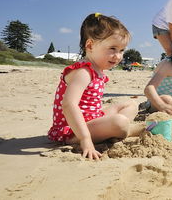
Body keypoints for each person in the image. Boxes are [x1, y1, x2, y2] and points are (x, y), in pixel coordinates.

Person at [48, 13, 143, 160]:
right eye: (112, 48)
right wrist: (85, 139)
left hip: (92, 120)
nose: (118, 56)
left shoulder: (97, 69)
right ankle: (125, 130)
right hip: (73, 130)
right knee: (120, 121)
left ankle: (113, 132)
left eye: (121, 50)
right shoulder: (83, 72)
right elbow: (68, 105)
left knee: (131, 104)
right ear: (90, 45)